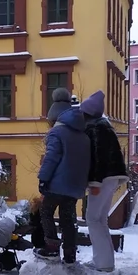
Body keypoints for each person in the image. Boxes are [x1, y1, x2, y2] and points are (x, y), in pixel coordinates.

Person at [80, 90, 129, 272]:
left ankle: (103, 263)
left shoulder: (95, 129)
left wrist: (94, 183)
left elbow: (97, 158)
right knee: (101, 220)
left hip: (102, 178)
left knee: (92, 219)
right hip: (113, 176)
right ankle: (106, 262)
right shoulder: (106, 127)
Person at [36, 104, 90, 264]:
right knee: (68, 218)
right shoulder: (84, 136)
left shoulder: (56, 133)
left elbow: (51, 157)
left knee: (46, 211)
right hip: (76, 185)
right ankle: (70, 253)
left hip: (57, 183)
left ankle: (52, 248)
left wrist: (43, 178)